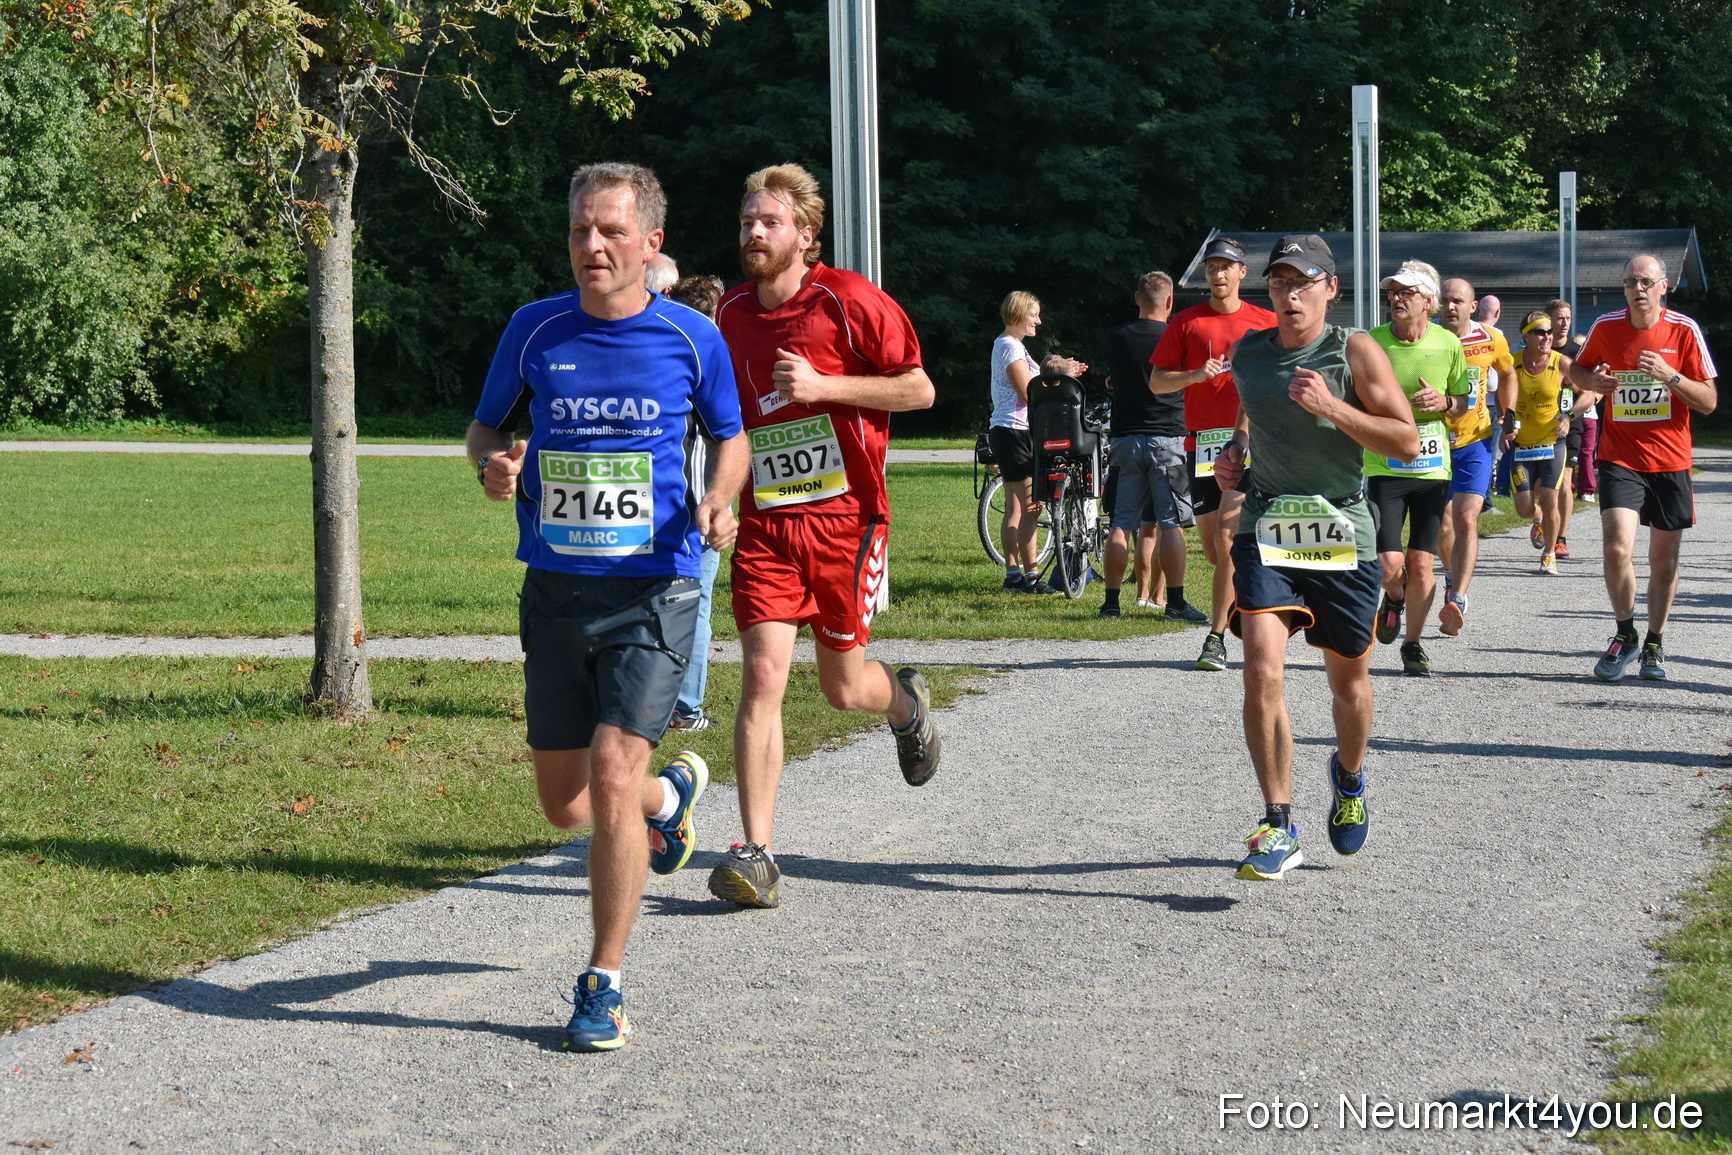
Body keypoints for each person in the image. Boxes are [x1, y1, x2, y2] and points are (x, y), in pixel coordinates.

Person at [467, 163, 748, 1051]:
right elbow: (486, 430)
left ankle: (604, 983)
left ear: (651, 243)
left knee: (613, 774)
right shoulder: (534, 328)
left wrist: (722, 498)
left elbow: (731, 437)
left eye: (612, 231)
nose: (593, 245)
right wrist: (497, 464)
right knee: (568, 805)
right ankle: (674, 798)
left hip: (655, 592)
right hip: (556, 590)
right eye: (582, 230)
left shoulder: (693, 338)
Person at [710, 163, 941, 908]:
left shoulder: (850, 302)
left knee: (845, 689)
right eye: (747, 219)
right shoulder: (730, 315)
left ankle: (905, 704)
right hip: (769, 523)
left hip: (848, 522)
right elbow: (729, 421)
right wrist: (719, 493)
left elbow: (920, 388)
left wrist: (824, 386)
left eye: (768, 222)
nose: (753, 232)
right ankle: (756, 851)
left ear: (806, 235)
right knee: (763, 678)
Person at [1212, 234, 1418, 880]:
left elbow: (1407, 439)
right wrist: (1234, 455)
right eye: (1278, 283)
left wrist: (1333, 406)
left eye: (1303, 282)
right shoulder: (1249, 354)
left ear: (1331, 287)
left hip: (1341, 524)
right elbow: (1253, 413)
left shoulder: (1352, 350)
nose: (1290, 294)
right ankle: (1278, 824)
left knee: (1348, 684)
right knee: (1261, 672)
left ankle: (1349, 778)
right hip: (1269, 521)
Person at [1568, 253, 1719, 682]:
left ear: (1663, 286)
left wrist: (1671, 376)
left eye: (1646, 281)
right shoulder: (1606, 327)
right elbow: (1577, 371)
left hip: (1671, 461)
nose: (1638, 288)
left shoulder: (1683, 330)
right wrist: (1592, 382)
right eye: (1631, 281)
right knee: (1617, 547)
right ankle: (1625, 634)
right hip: (1621, 458)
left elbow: (1708, 402)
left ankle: (1654, 642)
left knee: (1663, 561)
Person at [1149, 235, 1278, 669]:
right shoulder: (1186, 322)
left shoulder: (1264, 322)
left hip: (1250, 442)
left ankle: (1216, 638)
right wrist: (1192, 376)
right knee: (1214, 549)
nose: (1218, 274)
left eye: (1227, 266)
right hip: (1201, 444)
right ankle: (1240, 598)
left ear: (1243, 272)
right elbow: (1156, 382)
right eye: (1212, 267)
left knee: (1226, 538)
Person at [1365, 260, 1471, 677]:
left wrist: (1444, 404)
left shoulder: (1448, 344)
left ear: (1427, 301)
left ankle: (1413, 644)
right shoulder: (1372, 342)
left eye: (1405, 292)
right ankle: (1393, 598)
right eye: (1392, 292)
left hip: (1431, 469)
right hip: (1385, 465)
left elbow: (1463, 401)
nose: (1396, 298)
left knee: (1423, 563)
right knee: (1390, 566)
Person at [1100, 272, 1196, 620]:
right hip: (1168, 436)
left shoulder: (1116, 337)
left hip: (1125, 437)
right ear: (1170, 302)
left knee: (1121, 524)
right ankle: (1175, 601)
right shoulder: (1179, 336)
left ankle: (1111, 603)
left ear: (1136, 298)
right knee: (1171, 524)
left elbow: (1117, 378)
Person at [665, 274, 729, 731]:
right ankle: (686, 707)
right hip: (703, 505)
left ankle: (656, 703)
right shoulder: (716, 359)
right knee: (697, 605)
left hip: (666, 504)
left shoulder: (661, 357)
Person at [1433, 278, 1512, 636]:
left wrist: (1507, 413)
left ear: (1473, 305)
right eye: (1445, 301)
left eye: (1458, 301)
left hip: (1475, 441)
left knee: (1466, 519)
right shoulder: (1426, 337)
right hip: (1433, 443)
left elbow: (1508, 372)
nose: (1451, 307)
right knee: (1440, 526)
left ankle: (1459, 598)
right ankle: (1451, 575)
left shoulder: (1491, 339)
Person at [988, 292, 1061, 595]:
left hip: (1006, 431)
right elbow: (1027, 394)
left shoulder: (1011, 346)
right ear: (1018, 314)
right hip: (1015, 432)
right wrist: (1058, 381)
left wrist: (1060, 372)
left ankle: (1012, 573)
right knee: (1032, 507)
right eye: (1033, 315)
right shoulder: (1010, 347)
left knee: (1015, 507)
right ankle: (1031, 576)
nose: (1038, 321)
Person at [1502, 311, 1575, 574]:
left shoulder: (1561, 362)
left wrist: (1569, 415)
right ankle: (1537, 518)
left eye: (1549, 332)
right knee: (1523, 508)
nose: (1547, 337)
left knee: (1549, 498)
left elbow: (1588, 393)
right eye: (1540, 332)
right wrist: (1504, 424)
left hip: (1552, 441)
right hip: (1522, 443)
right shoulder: (1512, 363)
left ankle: (1549, 554)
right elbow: (1501, 395)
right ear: (1526, 336)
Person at [1550, 298, 1600, 506]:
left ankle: (1560, 535)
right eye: (1559, 318)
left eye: (1568, 319)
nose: (1564, 323)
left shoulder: (1578, 352)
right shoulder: (1541, 350)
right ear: (1549, 320)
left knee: (1565, 478)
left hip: (1572, 420)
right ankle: (1541, 516)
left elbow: (1593, 387)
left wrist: (1587, 397)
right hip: (1542, 421)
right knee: (1543, 484)